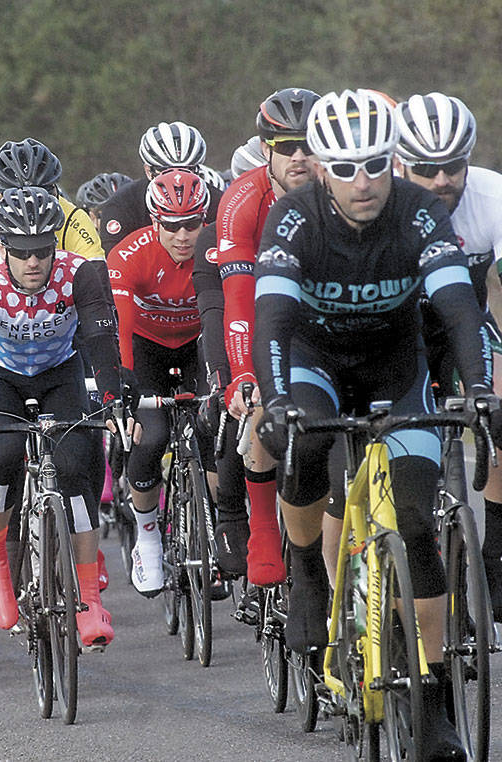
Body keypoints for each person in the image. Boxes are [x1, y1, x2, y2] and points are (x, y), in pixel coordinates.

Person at [252, 89, 502, 760]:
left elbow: (458, 308)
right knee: (305, 446)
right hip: (316, 363)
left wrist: (480, 389)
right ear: (321, 167)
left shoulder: (421, 213)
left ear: (392, 160)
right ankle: (307, 568)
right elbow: (274, 322)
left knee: (419, 525)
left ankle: (435, 699)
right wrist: (277, 399)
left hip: (397, 367)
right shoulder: (293, 218)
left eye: (375, 164)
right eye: (345, 169)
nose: (363, 182)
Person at [395, 91, 502, 624]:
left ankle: (496, 554)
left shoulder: (497, 195)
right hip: (395, 334)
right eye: (426, 167)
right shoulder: (379, 199)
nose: (442, 179)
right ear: (400, 161)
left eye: (453, 166)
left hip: (464, 322)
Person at [0, 186, 127, 647]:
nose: (34, 263)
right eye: (22, 252)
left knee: (75, 467)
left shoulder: (81, 274)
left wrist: (113, 398)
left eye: (43, 251)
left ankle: (89, 596)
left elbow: (99, 339)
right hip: (2, 376)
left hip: (59, 373)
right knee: (5, 452)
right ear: (3, 248)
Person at [209, 87, 319, 587]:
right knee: (256, 407)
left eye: (308, 145)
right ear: (266, 148)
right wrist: (245, 375)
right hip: (259, 310)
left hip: (322, 315)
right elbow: (238, 302)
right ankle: (261, 533)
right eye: (286, 146)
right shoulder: (243, 200)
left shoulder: (345, 186)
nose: (299, 157)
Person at [107, 168, 213, 596]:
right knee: (149, 439)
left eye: (192, 223)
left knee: (215, 432)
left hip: (197, 344)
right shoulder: (129, 256)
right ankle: (148, 538)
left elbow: (228, 316)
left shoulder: (215, 251)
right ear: (154, 222)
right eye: (172, 225)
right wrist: (127, 384)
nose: (183, 235)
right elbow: (122, 328)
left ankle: (214, 523)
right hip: (146, 348)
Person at [0, 139, 103, 270]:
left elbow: (98, 285)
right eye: (17, 200)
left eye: (42, 196)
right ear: (0, 196)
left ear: (55, 190)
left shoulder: (74, 219)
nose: (32, 205)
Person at [98, 121, 219, 252]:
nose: (177, 179)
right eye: (166, 171)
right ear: (148, 171)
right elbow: (113, 262)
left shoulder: (219, 202)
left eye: (187, 170)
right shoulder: (122, 205)